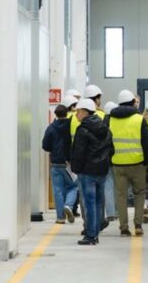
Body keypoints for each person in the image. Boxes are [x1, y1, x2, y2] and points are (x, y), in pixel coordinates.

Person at [70, 99, 114, 246]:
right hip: (102, 171)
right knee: (98, 203)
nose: (76, 114)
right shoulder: (105, 128)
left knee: (89, 204)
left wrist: (76, 168)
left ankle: (91, 235)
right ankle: (96, 231)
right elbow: (111, 150)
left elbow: (79, 152)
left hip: (87, 172)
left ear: (84, 112)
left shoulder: (82, 130)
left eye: (78, 111)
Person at [108, 89, 148, 237]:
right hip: (137, 163)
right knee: (139, 193)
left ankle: (123, 228)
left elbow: (106, 142)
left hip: (118, 163)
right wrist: (147, 160)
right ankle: (138, 225)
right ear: (133, 102)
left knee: (121, 196)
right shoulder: (139, 119)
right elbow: (146, 142)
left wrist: (110, 159)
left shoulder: (110, 119)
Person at [42, 104, 78, 224]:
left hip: (55, 163)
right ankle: (68, 205)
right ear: (66, 113)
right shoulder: (71, 126)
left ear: (56, 114)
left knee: (58, 190)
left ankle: (60, 217)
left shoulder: (51, 127)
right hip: (68, 164)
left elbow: (45, 146)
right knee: (73, 186)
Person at [102, 101, 119, 221]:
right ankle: (117, 211)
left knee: (107, 186)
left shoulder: (102, 125)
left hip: (106, 159)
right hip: (119, 159)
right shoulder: (118, 123)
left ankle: (110, 212)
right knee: (118, 187)